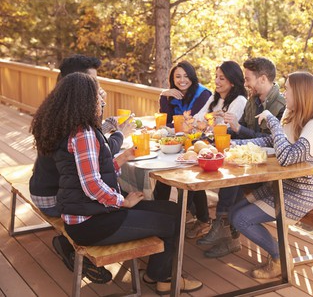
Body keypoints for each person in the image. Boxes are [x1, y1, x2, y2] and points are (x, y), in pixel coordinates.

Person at [30, 72, 203, 294]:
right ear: (83, 101)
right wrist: (123, 202)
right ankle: (164, 279)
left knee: (172, 210)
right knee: (175, 221)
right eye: (97, 97)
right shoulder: (84, 134)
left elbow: (89, 172)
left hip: (89, 213)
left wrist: (123, 158)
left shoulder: (71, 129)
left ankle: (156, 275)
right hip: (91, 223)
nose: (102, 101)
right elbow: (92, 185)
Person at [29, 54, 134, 283]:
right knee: (119, 199)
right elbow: (100, 151)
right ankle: (73, 249)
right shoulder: (71, 117)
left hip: (41, 186)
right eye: (93, 83)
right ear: (76, 81)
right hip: (54, 195)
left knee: (114, 195)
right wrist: (118, 134)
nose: (98, 87)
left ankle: (69, 243)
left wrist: (100, 109)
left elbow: (93, 142)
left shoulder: (57, 107)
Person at [229, 71, 313, 279]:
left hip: (300, 193)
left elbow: (287, 157)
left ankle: (280, 258)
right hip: (279, 186)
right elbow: (271, 142)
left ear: (301, 93)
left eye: (288, 89)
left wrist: (272, 120)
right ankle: (279, 255)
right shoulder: (291, 114)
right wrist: (231, 145)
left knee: (241, 219)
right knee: (234, 212)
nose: (284, 94)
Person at [197, 57, 286, 258]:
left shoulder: (282, 107)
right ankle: (226, 233)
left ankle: (224, 228)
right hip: (251, 162)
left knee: (230, 178)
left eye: (248, 79)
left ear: (263, 79)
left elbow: (273, 141)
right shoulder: (254, 101)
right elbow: (243, 132)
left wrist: (239, 128)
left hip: (271, 169)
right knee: (226, 169)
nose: (245, 84)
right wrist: (224, 132)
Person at [183, 60, 248, 239]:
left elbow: (224, 130)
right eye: (216, 77)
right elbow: (196, 119)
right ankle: (200, 217)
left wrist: (206, 123)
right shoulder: (215, 98)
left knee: (194, 174)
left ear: (233, 81)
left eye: (222, 78)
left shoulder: (240, 100)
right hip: (208, 148)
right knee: (187, 172)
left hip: (228, 151)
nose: (217, 82)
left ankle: (218, 224)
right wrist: (208, 121)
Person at [154, 61, 212, 233]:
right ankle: (160, 215)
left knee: (188, 177)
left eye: (186, 76)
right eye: (177, 76)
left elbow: (190, 123)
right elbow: (165, 122)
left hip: (198, 142)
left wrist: (171, 126)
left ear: (192, 77)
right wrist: (164, 95)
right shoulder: (173, 94)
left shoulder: (203, 94)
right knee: (163, 173)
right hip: (178, 143)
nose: (182, 80)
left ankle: (197, 218)